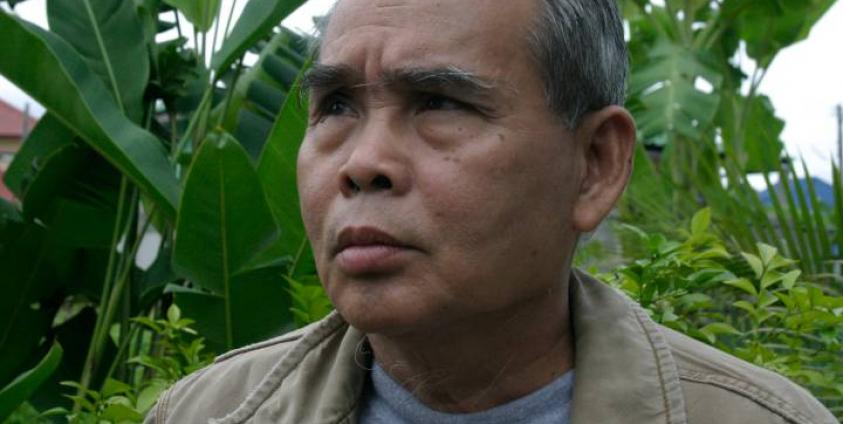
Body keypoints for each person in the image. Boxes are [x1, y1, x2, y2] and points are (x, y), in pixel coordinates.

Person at [145, 0, 835, 422]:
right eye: (337, 105)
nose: (363, 161)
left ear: (594, 165)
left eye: (439, 103)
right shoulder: (206, 415)